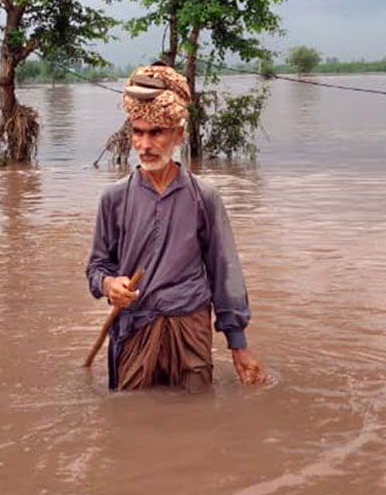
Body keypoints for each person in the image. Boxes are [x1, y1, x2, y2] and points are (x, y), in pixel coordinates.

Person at [85, 62, 267, 392]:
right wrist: (111, 284)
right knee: (131, 418)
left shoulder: (204, 197)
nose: (145, 144)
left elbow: (225, 273)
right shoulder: (114, 198)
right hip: (135, 328)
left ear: (178, 134)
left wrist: (238, 345)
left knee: (197, 423)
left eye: (156, 132)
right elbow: (96, 268)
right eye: (138, 132)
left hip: (190, 330)